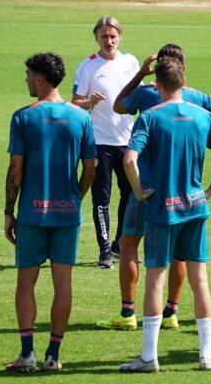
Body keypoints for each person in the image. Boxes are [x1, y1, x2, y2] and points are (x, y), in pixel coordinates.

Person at [97, 44, 211, 332]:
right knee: (182, 253)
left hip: (148, 189)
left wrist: (139, 74)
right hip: (189, 194)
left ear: (158, 72)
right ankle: (172, 311)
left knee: (128, 245)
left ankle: (128, 313)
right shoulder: (198, 99)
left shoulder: (149, 94)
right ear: (183, 71)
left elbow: (118, 105)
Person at [4, 53, 97, 372]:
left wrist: (9, 211)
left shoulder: (23, 117)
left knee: (26, 282)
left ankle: (27, 354)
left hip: (32, 213)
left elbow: (15, 169)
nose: (27, 79)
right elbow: (90, 170)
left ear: (40, 78)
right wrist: (75, 198)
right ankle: (53, 356)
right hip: (67, 214)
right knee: (63, 283)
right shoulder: (81, 118)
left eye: (28, 74)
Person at [72, 16, 140, 269]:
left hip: (127, 141)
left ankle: (120, 244)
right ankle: (104, 251)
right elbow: (75, 103)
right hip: (99, 142)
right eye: (104, 36)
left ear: (120, 36)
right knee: (101, 198)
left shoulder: (130, 62)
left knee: (131, 195)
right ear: (96, 38)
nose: (109, 41)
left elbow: (140, 94)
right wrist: (89, 103)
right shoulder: (88, 67)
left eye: (113, 36)